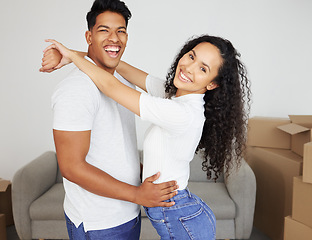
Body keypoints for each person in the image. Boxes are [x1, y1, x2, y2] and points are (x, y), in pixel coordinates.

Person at [42, 34, 251, 239]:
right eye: (191, 56)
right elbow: (121, 68)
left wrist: (71, 55)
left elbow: (111, 86)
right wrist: (72, 56)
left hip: (179, 216)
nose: (189, 67)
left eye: (203, 69)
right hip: (181, 212)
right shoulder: (175, 96)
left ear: (212, 84)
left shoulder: (182, 113)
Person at [41, 0, 179, 239]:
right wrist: (138, 195)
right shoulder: (75, 90)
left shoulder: (121, 82)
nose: (114, 38)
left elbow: (116, 145)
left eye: (121, 31)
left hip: (127, 212)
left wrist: (143, 177)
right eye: (104, 30)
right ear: (89, 36)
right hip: (99, 222)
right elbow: (72, 167)